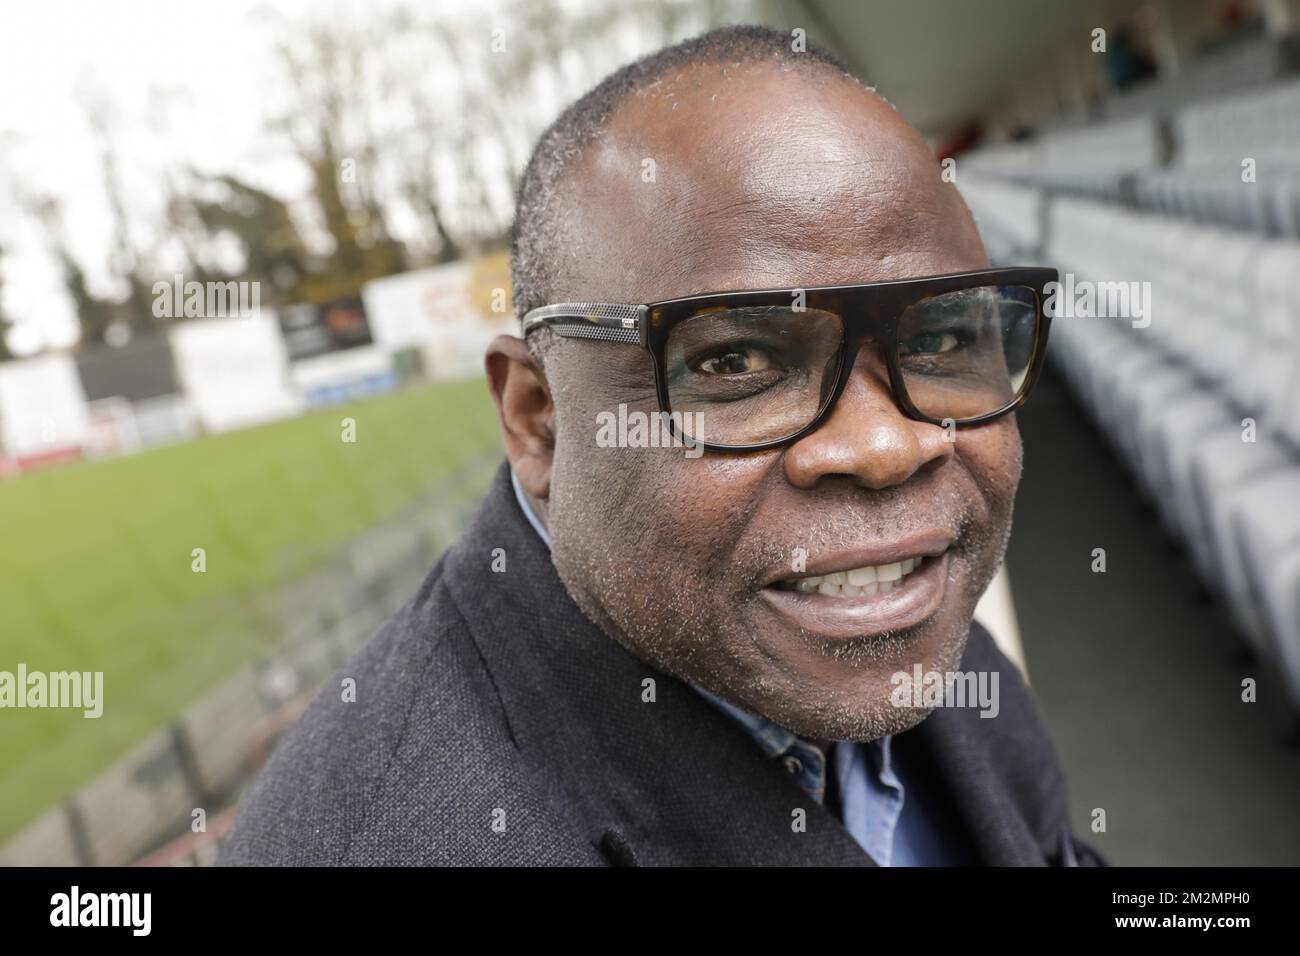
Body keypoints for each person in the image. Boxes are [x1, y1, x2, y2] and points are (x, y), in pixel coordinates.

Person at [220, 24, 1103, 867]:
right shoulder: (406, 836)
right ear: (539, 418)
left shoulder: (875, 600)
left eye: (942, 339)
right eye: (738, 359)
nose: (883, 447)